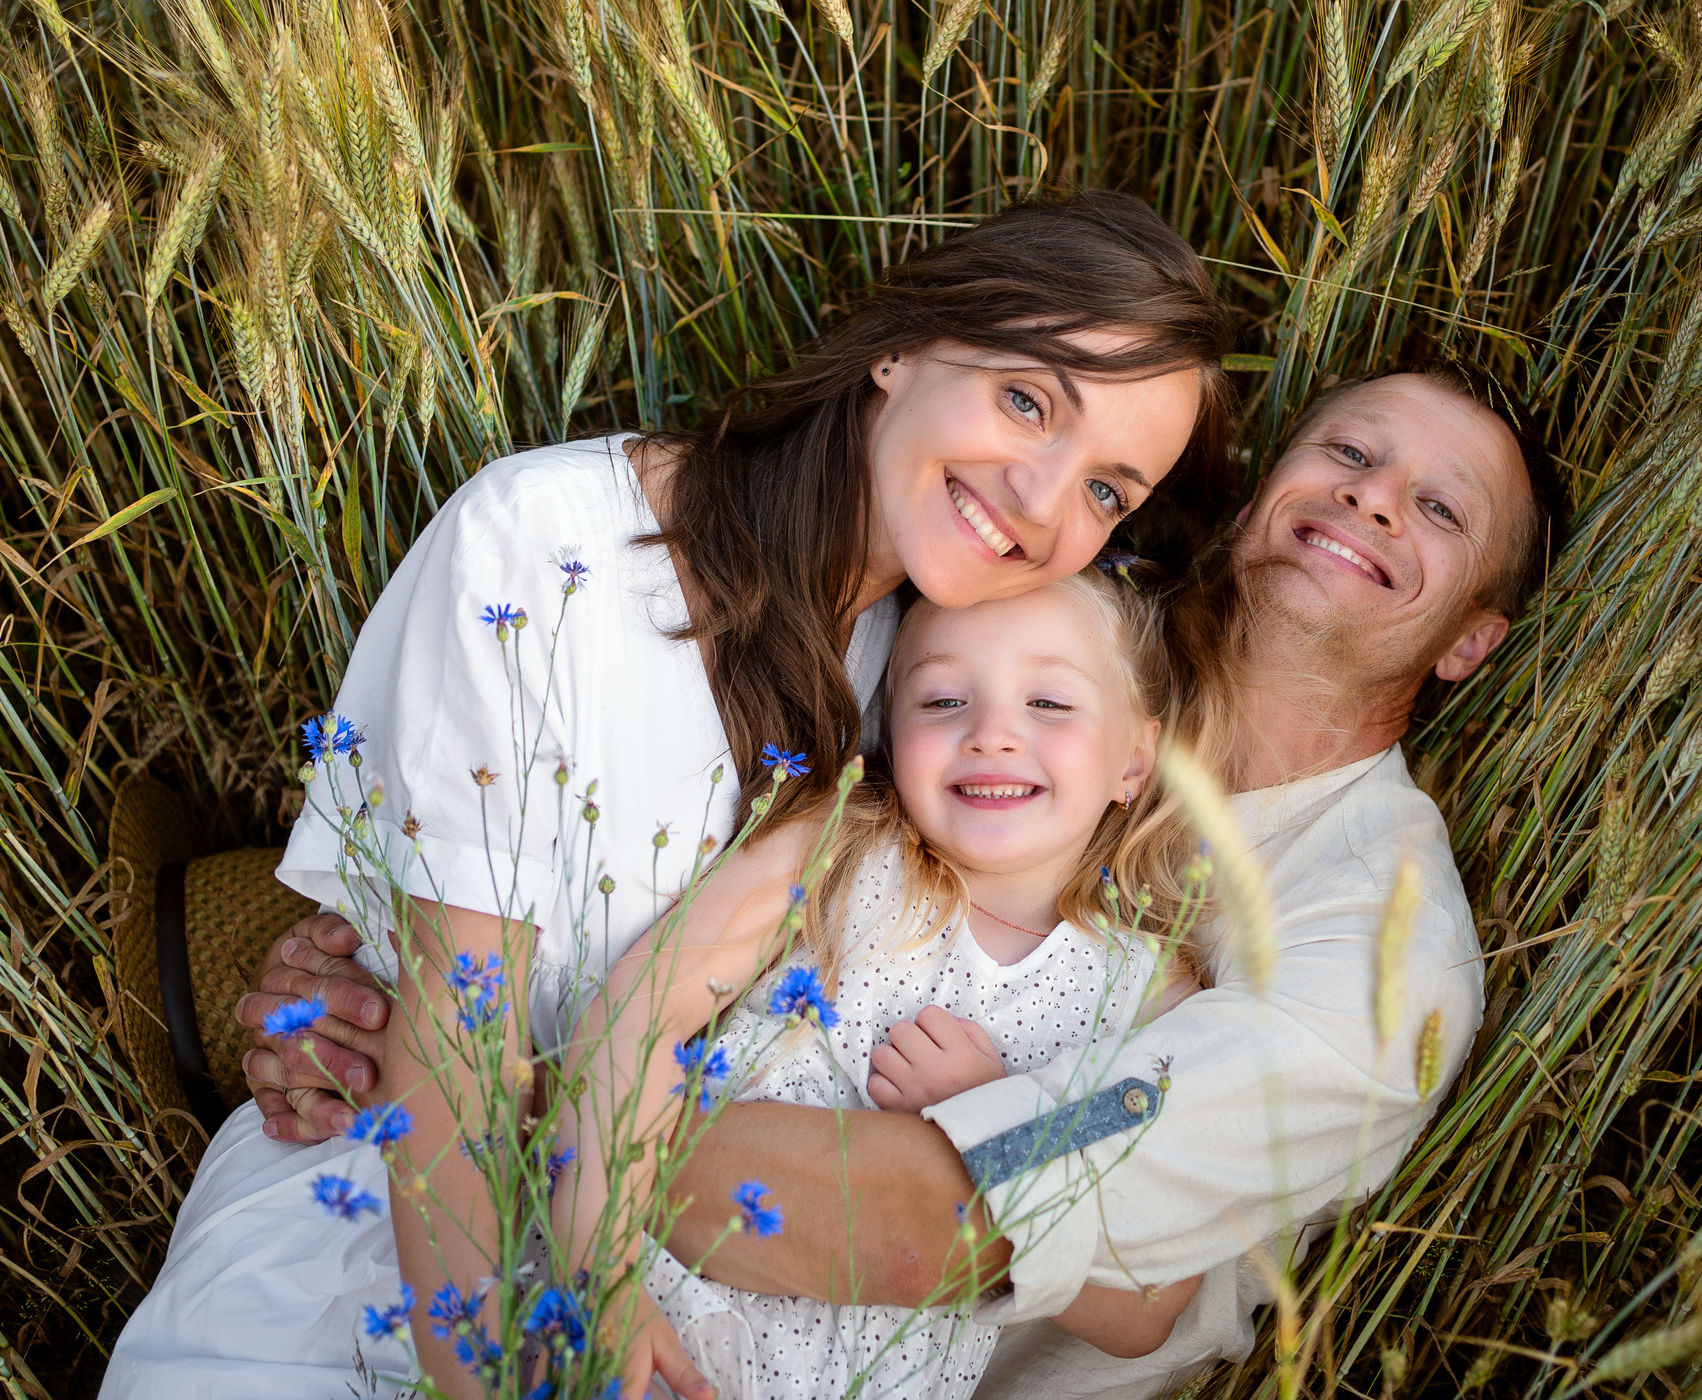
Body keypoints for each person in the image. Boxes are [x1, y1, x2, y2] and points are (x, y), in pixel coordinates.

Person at [237, 365, 1568, 1400]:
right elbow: (666, 799)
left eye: (1440, 508)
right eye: (1347, 450)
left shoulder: (1380, 952)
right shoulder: (1029, 629)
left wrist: (484, 1093)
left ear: (1472, 640)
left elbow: (959, 1204)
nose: (1375, 496)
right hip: (600, 1259)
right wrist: (380, 979)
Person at [99, 190, 1232, 1400]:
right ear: (899, 348)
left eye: (1109, 490)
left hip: (694, 1311)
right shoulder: (547, 545)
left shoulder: (929, 685)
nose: (1046, 504)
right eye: (1026, 401)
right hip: (393, 1241)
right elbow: (451, 1035)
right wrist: (553, 1342)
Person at [563, 570, 1216, 1400]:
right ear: (889, 724)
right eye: (943, 700)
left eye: (1049, 703)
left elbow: (1144, 1306)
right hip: (646, 1322)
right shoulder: (835, 847)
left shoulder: (1146, 993)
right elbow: (636, 1012)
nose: (992, 733)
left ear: (1134, 759)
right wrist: (603, 1283)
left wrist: (996, 1117)